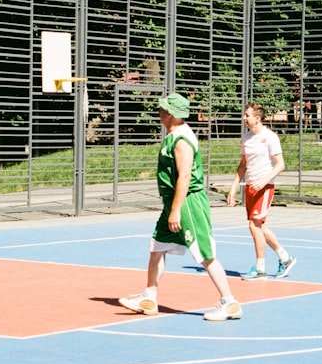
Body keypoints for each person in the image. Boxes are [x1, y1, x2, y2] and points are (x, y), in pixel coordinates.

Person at [119, 92, 243, 322]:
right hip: (173, 201)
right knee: (157, 248)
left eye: (164, 110)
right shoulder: (172, 135)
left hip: (188, 202)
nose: (160, 112)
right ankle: (149, 297)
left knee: (204, 253)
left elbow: (185, 176)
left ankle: (230, 302)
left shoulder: (182, 140)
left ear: (174, 115)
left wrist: (176, 210)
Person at [227, 102, 296, 280]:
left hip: (264, 187)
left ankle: (260, 268)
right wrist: (233, 188)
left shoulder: (270, 137)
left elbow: (281, 164)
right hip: (251, 187)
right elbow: (243, 165)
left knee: (254, 225)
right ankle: (285, 258)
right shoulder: (246, 137)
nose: (244, 118)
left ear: (257, 118)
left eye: (247, 115)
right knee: (260, 226)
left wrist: (264, 181)